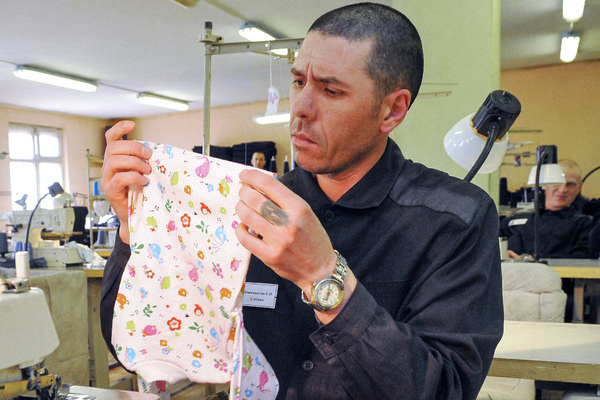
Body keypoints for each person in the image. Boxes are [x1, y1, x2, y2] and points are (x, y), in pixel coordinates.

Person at [100, 3, 503, 399]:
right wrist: (133, 230)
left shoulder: (456, 220)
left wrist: (323, 277)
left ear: (391, 111)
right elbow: (141, 343)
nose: (300, 108)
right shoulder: (250, 202)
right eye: (298, 82)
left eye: (331, 90)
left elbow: (447, 388)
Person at [500, 159, 593, 259]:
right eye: (557, 183)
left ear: (579, 187)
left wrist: (534, 261)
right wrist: (502, 254)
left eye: (570, 184)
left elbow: (582, 259)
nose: (563, 190)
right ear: (543, 184)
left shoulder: (584, 225)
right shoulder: (514, 221)